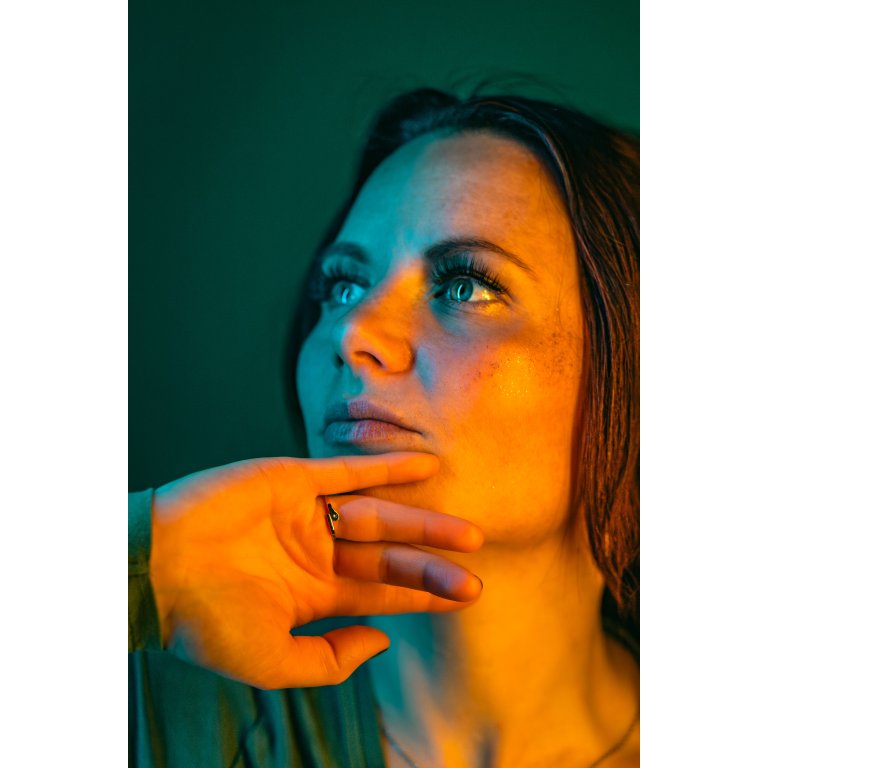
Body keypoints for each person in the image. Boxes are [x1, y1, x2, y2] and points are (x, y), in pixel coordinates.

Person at [129, 87, 639, 767]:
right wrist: (142, 568)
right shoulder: (150, 713)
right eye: (343, 287)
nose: (353, 330)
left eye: (465, 285)